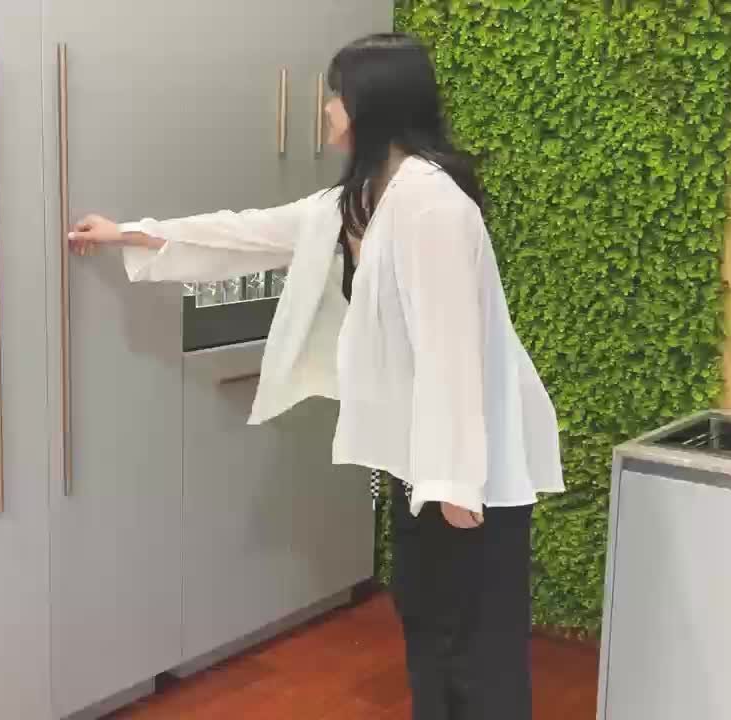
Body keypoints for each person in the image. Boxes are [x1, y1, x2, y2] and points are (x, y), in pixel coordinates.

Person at [67, 32, 564, 720]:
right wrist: (129, 232)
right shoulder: (362, 198)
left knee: (478, 654)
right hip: (421, 463)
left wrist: (455, 484)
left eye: (336, 95)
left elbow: (453, 348)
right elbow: (248, 231)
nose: (327, 108)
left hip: (471, 474)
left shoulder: (434, 205)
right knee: (428, 628)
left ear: (372, 103)